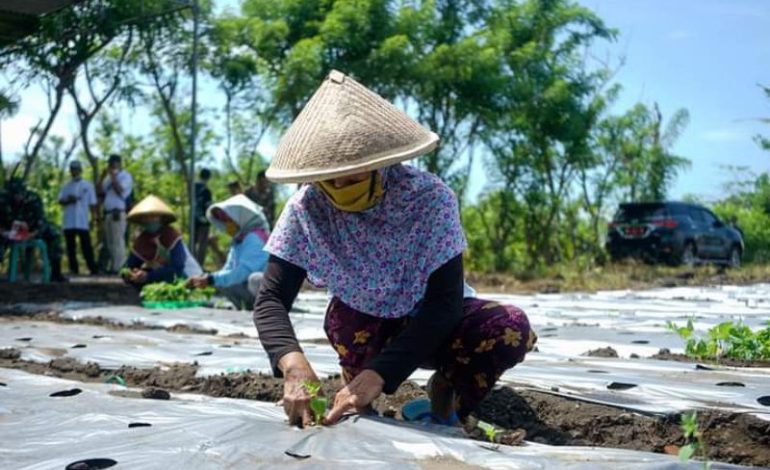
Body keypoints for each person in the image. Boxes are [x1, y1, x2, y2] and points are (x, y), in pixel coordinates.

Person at [254, 70, 536, 428]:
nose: (341, 187)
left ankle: (444, 390)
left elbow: (444, 304)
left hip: (436, 323)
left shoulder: (428, 199)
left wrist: (380, 376)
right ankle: (354, 386)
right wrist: (292, 364)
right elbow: (271, 300)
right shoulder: (306, 208)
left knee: (508, 327)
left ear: (379, 163)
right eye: (330, 179)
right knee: (348, 332)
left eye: (354, 176)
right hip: (361, 325)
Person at [186, 195, 269, 310]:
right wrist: (204, 279)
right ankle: (246, 307)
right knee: (222, 280)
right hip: (248, 287)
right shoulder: (239, 239)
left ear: (241, 217)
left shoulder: (255, 238)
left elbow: (244, 271)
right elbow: (228, 270)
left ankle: (268, 310)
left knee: (255, 279)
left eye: (229, 220)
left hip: (262, 287)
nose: (227, 225)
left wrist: (211, 279)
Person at [121, 195, 201, 288]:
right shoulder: (143, 240)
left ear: (161, 218)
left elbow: (178, 267)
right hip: (161, 282)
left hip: (188, 278)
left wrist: (148, 276)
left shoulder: (171, 234)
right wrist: (130, 275)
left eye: (153, 216)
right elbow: (128, 266)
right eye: (145, 217)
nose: (149, 219)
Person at [0, 176, 67, 282]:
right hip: (7, 231)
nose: (17, 197)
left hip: (30, 230)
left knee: (53, 234)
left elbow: (40, 223)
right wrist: (3, 232)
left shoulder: (33, 199)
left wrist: (31, 235)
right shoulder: (2, 199)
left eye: (20, 193)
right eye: (14, 194)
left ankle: (56, 273)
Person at [58, 160, 98, 275]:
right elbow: (60, 200)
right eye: (72, 169)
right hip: (69, 220)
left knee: (86, 245)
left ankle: (92, 268)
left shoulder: (88, 185)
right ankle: (73, 268)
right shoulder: (66, 186)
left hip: (82, 220)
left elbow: (93, 203)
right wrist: (68, 200)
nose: (74, 171)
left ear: (80, 170)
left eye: (76, 169)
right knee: (70, 247)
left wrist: (94, 218)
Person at [99, 154, 133, 273]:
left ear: (119, 163)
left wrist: (113, 177)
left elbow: (121, 191)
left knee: (118, 241)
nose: (112, 165)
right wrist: (103, 176)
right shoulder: (107, 178)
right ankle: (114, 267)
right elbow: (100, 192)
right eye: (110, 163)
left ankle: (120, 268)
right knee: (109, 243)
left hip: (118, 212)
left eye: (114, 162)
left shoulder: (125, 176)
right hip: (107, 213)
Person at [193, 168, 213, 265]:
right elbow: (208, 206)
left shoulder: (193, 188)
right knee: (202, 245)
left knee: (193, 242)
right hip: (204, 221)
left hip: (193, 220)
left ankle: (191, 263)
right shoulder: (206, 191)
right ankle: (199, 265)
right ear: (208, 178)